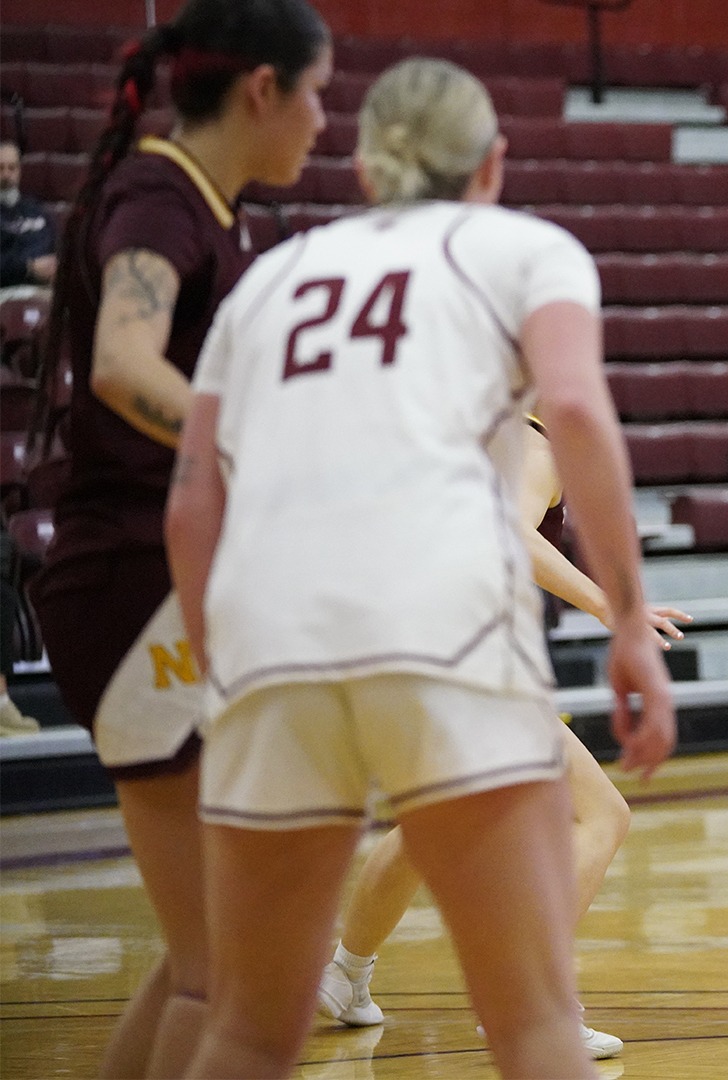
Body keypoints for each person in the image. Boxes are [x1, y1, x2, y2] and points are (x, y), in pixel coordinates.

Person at [166, 56, 676, 1078]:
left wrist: (220, 658)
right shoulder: (526, 253)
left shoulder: (272, 276)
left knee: (248, 1027)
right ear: (492, 163)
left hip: (275, 635)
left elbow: (192, 499)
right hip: (436, 627)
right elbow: (578, 414)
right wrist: (625, 619)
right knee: (532, 1022)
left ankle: (345, 974)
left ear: (364, 170)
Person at [23, 3, 331, 1073]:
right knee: (229, 976)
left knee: (202, 964)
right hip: (131, 583)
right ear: (262, 90)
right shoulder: (161, 194)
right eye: (316, 94)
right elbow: (122, 362)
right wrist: (250, 446)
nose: (323, 121)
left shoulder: (210, 207)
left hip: (160, 579)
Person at [314, 416, 691, 1060]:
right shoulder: (535, 444)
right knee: (599, 815)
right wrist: (613, 608)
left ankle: (346, 976)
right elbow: (512, 534)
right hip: (463, 648)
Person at [0, 139, 58, 289]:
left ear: (19, 171)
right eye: (0, 168)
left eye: (12, 168)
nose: (6, 174)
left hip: (42, 290)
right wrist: (29, 267)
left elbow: (55, 248)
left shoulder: (36, 210)